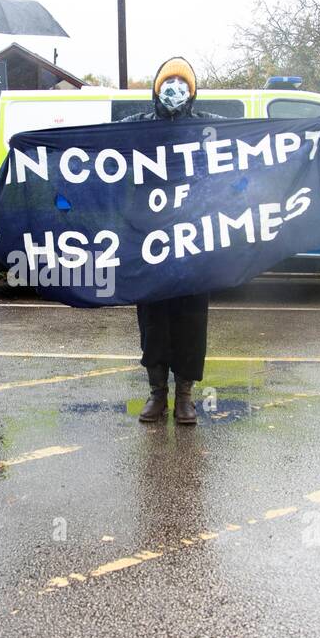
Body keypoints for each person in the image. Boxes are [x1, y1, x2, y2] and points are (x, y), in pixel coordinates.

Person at [119, 57, 220, 425]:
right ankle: (157, 393)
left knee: (191, 321)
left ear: (191, 91)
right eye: (168, 81)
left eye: (181, 82)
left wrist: (309, 130)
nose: (174, 88)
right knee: (154, 322)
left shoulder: (208, 126)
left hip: (194, 243)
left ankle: (185, 398)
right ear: (156, 87)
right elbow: (96, 143)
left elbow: (254, 136)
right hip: (150, 241)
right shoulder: (136, 127)